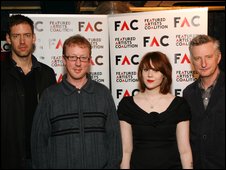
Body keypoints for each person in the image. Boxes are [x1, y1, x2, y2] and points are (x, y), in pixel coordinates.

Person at [31, 34, 122, 169]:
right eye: (72, 57)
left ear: (89, 60)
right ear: (64, 60)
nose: (78, 63)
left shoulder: (103, 94)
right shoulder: (50, 96)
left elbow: (114, 140)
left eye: (83, 58)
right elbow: (38, 143)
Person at [117, 51, 193, 169]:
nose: (150, 75)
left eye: (156, 70)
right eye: (146, 70)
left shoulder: (179, 105)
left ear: (164, 74)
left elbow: (184, 151)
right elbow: (126, 150)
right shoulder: (127, 105)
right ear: (141, 73)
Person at [1, 14, 56, 169]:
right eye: (16, 36)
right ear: (8, 39)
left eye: (27, 35)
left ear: (34, 38)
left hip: (41, 158)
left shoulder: (47, 74)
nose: (22, 41)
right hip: (7, 158)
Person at [183, 34, 225, 169]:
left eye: (208, 57)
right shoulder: (188, 93)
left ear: (218, 57)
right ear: (192, 61)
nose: (203, 63)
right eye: (197, 58)